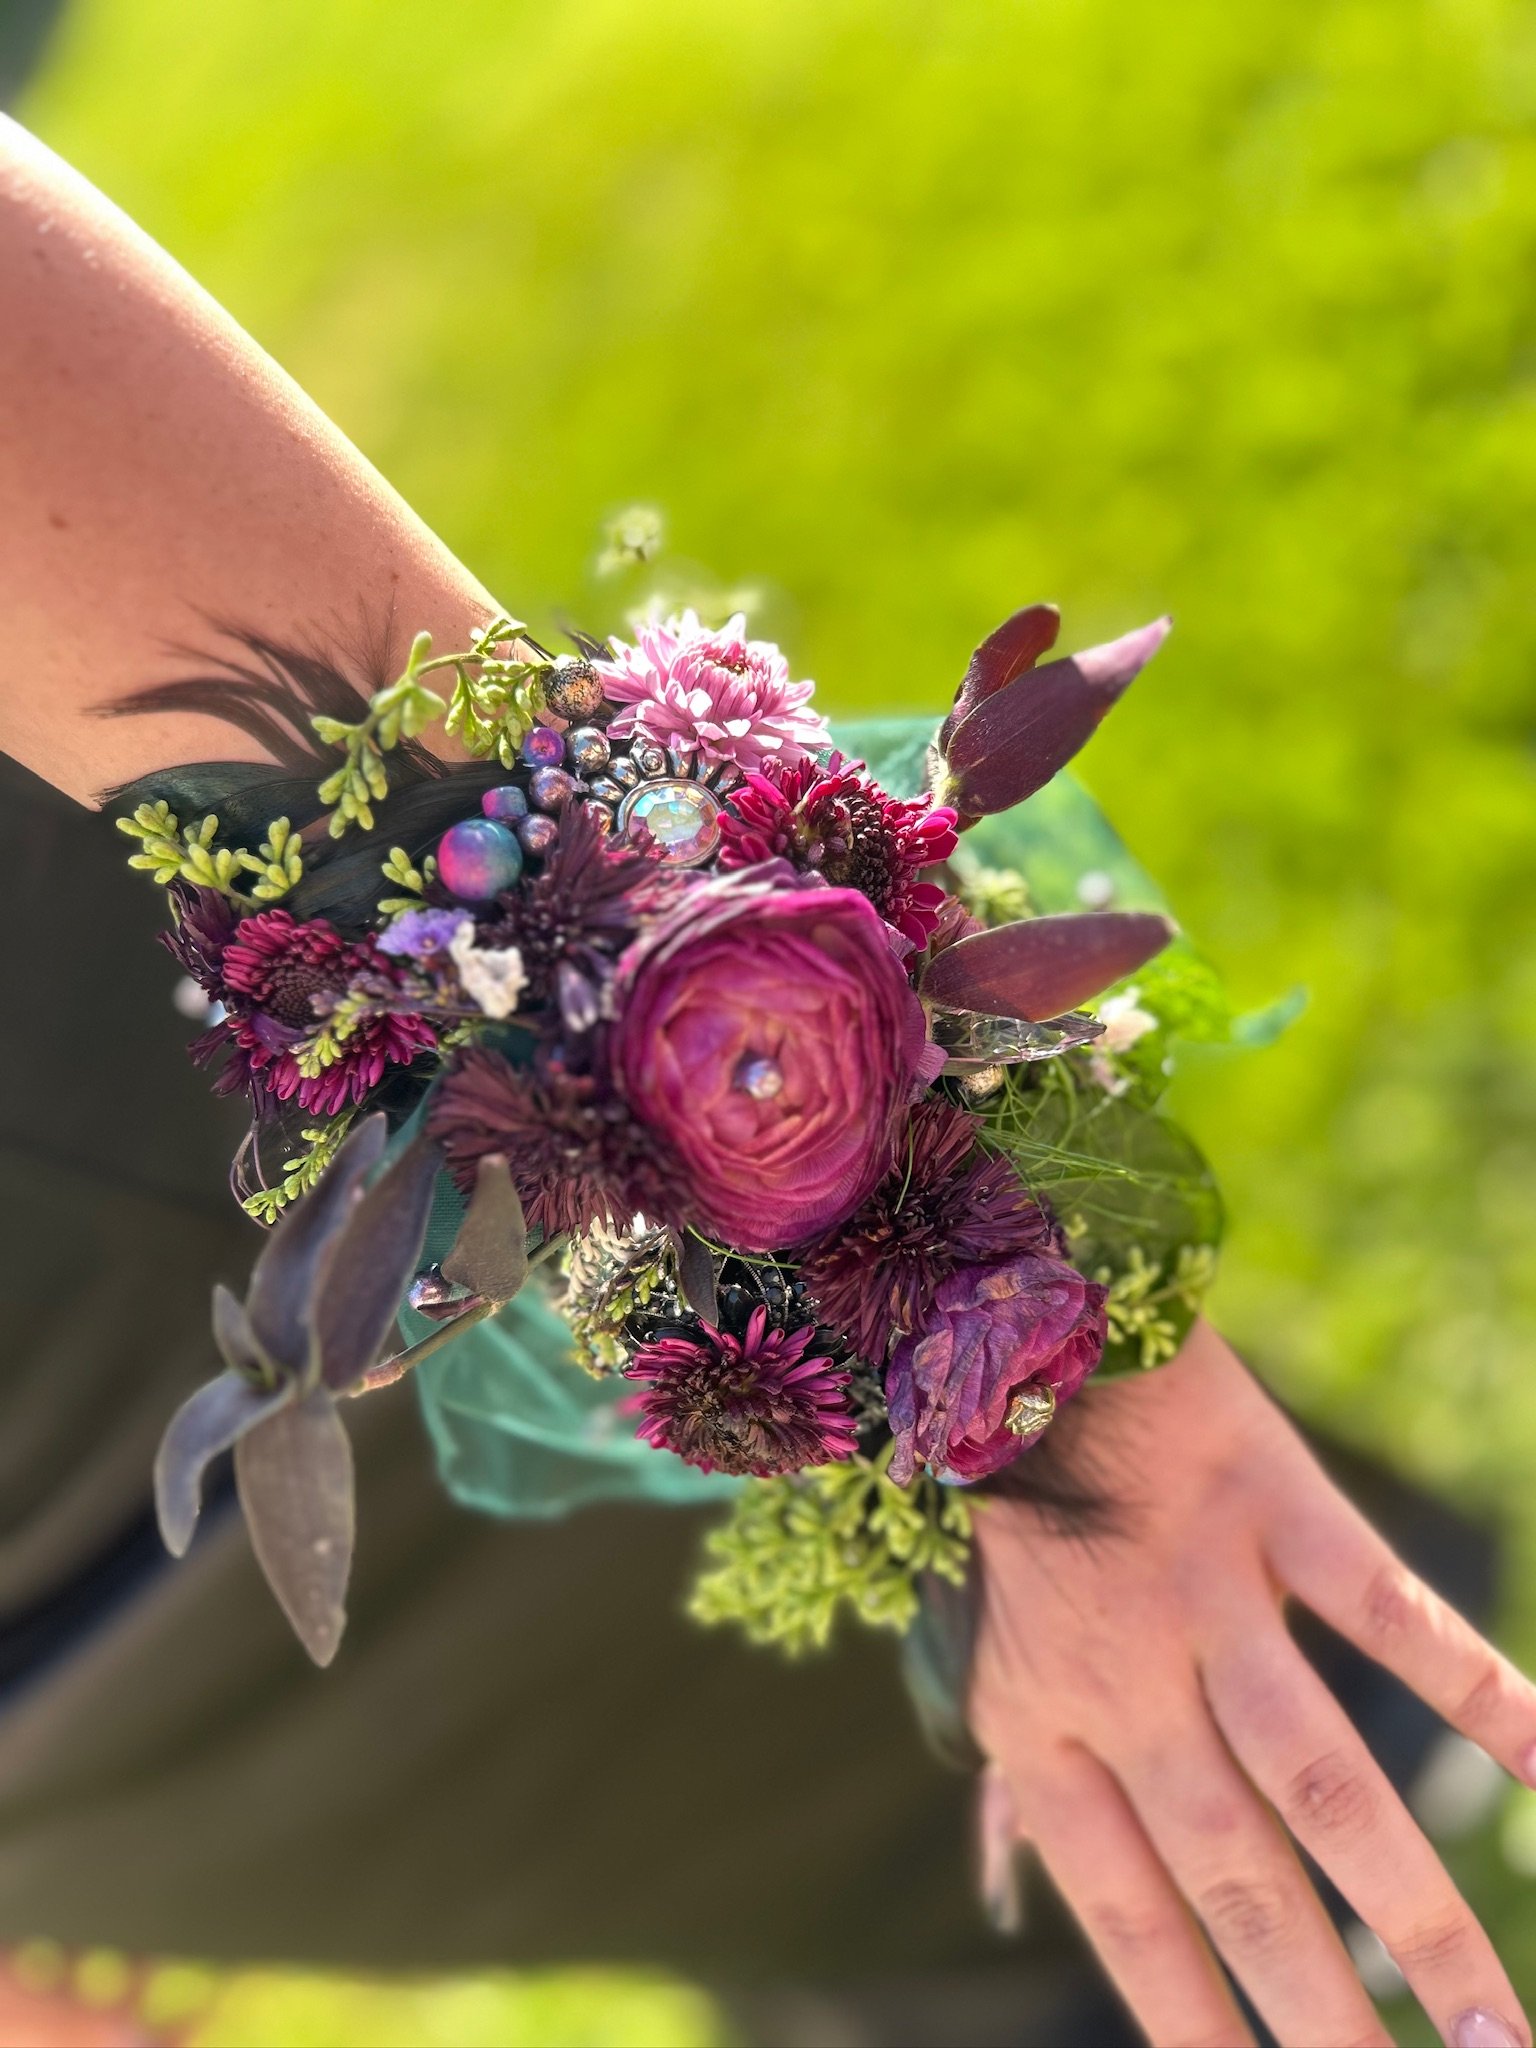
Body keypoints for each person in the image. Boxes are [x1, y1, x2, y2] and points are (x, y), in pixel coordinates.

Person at [1, 113, 1533, 2048]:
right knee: (713, 1840)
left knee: (930, 1701)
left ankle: (1356, 1782)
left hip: (157, 1236)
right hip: (65, 1748)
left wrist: (997, 1346)